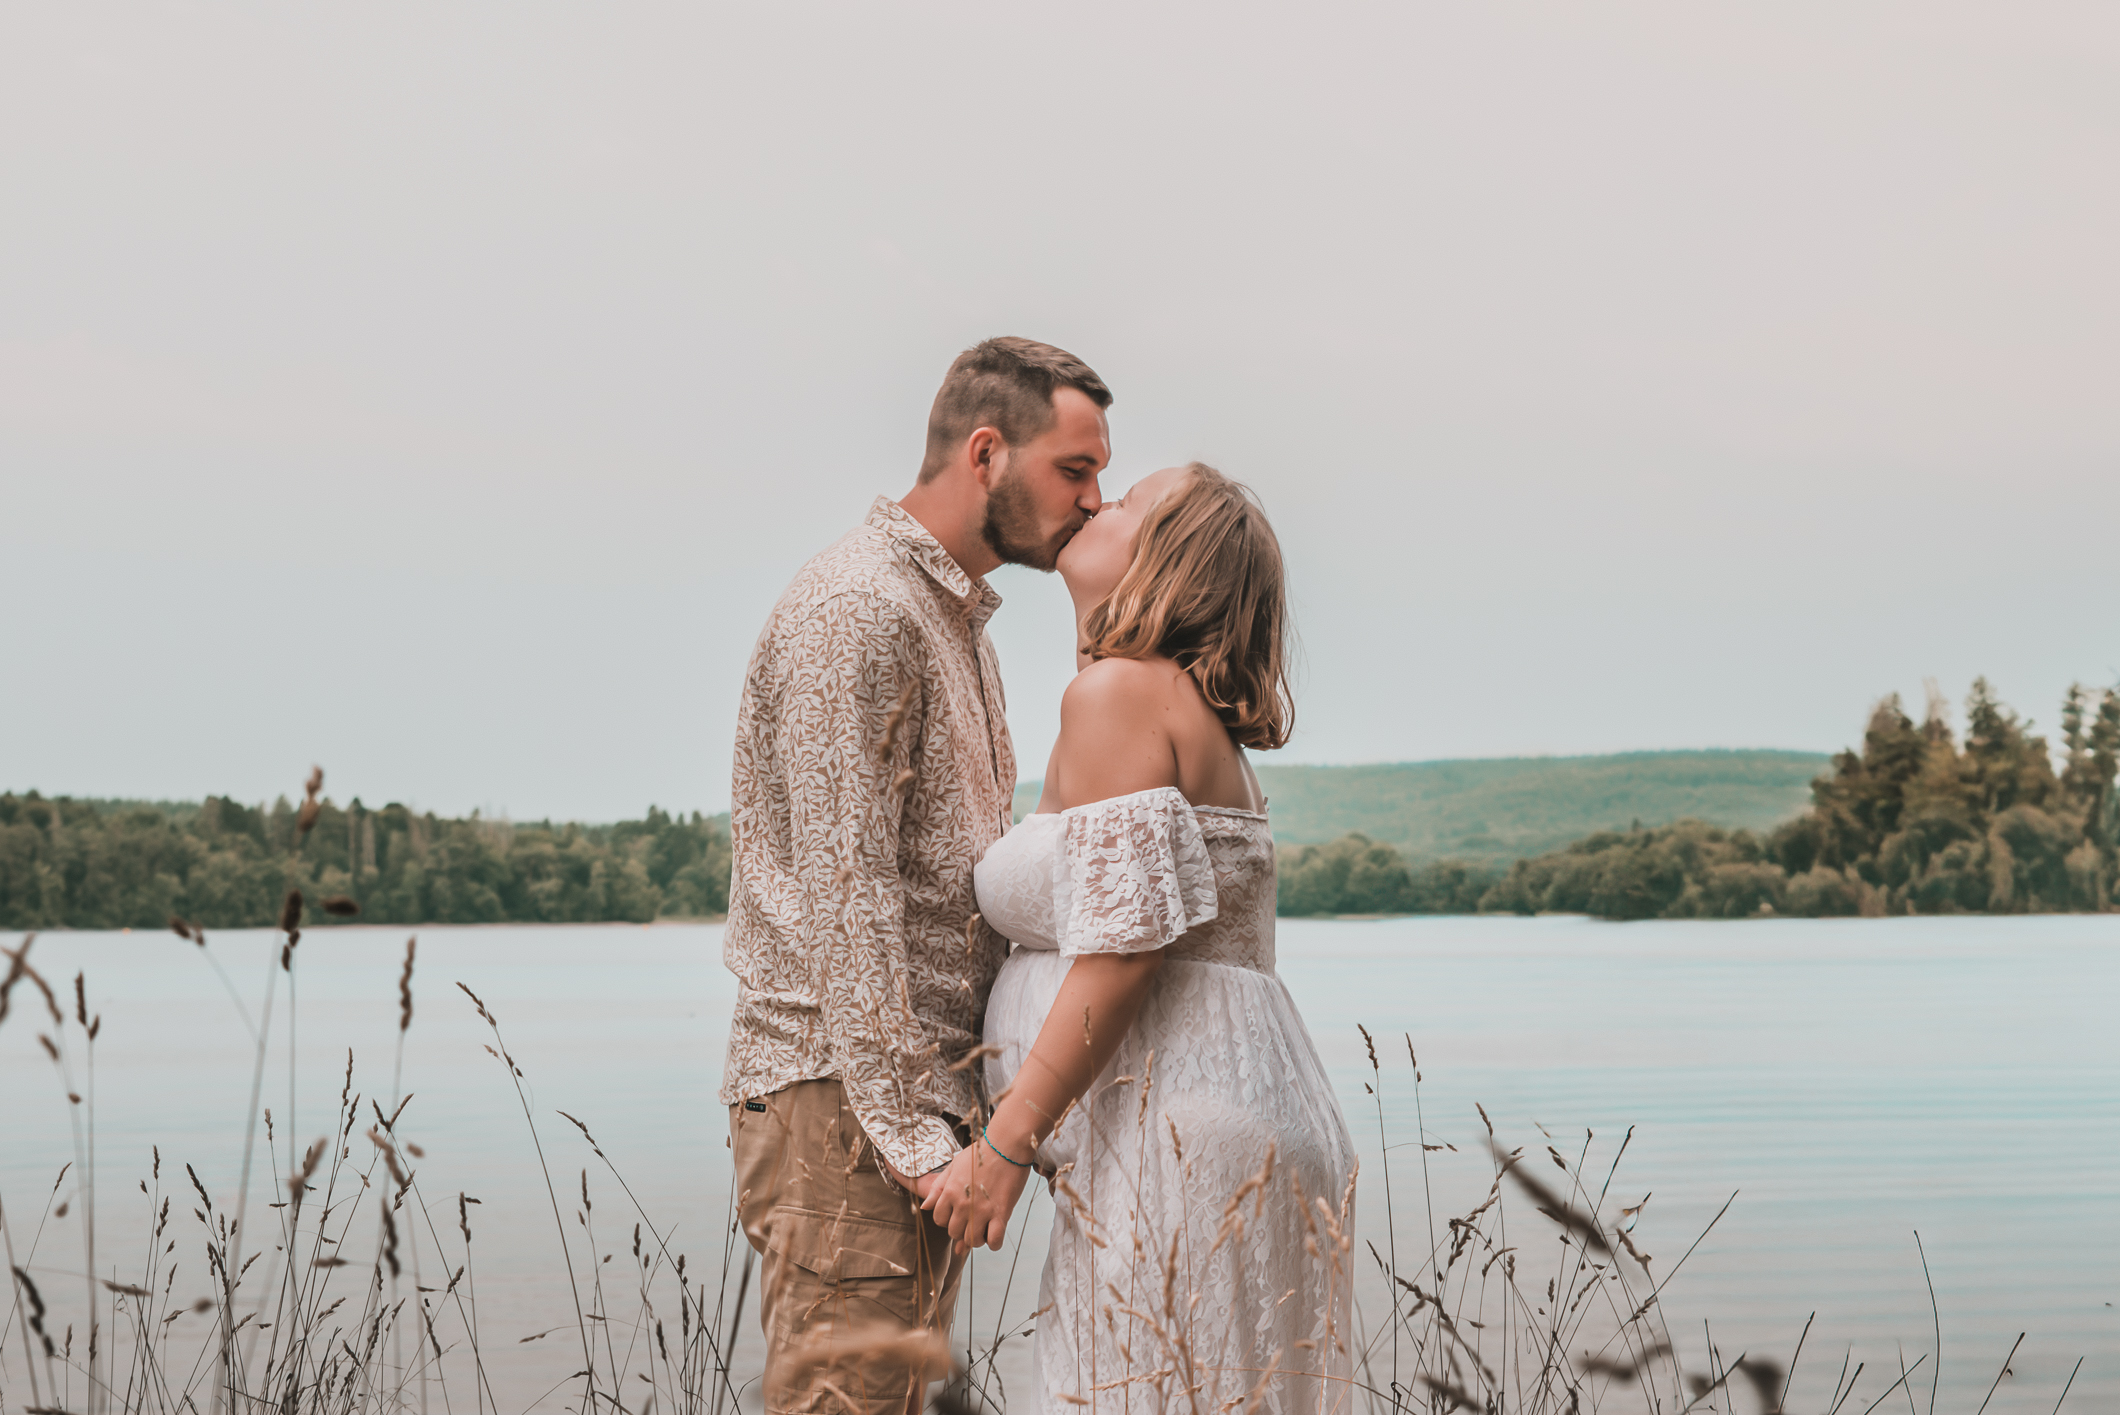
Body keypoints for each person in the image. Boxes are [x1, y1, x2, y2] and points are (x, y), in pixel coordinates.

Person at [721, 337, 1113, 1415]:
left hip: (904, 1108)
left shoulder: (951, 618)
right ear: (986, 452)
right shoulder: (859, 607)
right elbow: (846, 898)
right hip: (845, 1104)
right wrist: (912, 1140)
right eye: (1074, 469)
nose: (1093, 499)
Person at [927, 463, 1358, 1414]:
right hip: (1225, 1122)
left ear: (1170, 562)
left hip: (1180, 1144)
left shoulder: (1121, 696)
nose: (1096, 498)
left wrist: (1005, 1143)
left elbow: (1126, 949)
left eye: (1125, 501)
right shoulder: (1168, 707)